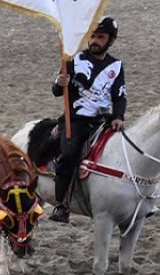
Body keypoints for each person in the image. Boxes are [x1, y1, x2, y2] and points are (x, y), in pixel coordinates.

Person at [49, 16, 127, 222]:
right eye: (92, 36)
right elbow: (57, 91)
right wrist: (60, 82)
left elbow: (119, 96)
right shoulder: (73, 59)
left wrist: (118, 116)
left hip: (103, 120)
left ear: (111, 41)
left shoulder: (116, 66)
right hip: (76, 119)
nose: (94, 40)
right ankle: (61, 204)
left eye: (100, 37)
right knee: (69, 154)